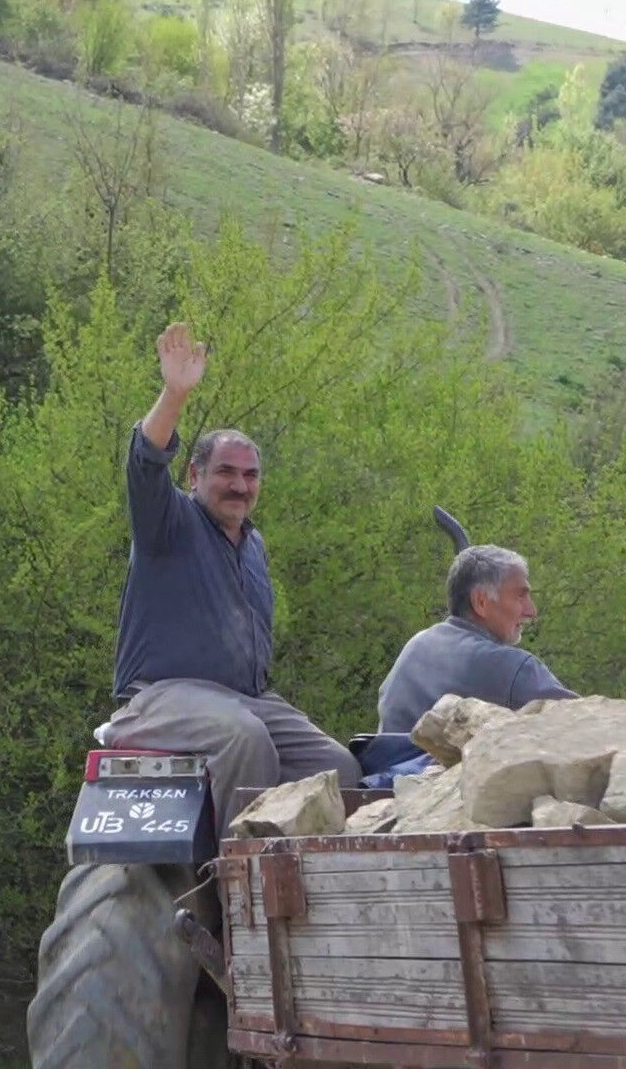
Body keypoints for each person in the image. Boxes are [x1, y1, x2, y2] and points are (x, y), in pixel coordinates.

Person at [94, 321, 361, 836]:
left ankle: (316, 892)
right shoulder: (169, 523)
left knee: (339, 769)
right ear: (195, 476)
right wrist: (174, 395)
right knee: (245, 740)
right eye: (225, 472)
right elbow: (145, 465)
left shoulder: (254, 547)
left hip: (246, 700)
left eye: (250, 475)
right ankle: (236, 888)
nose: (239, 485)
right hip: (162, 697)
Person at [356, 543, 580, 785]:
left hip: (382, 796)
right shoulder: (513, 667)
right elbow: (588, 726)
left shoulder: (415, 646)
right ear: (481, 602)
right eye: (520, 595)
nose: (531, 611)